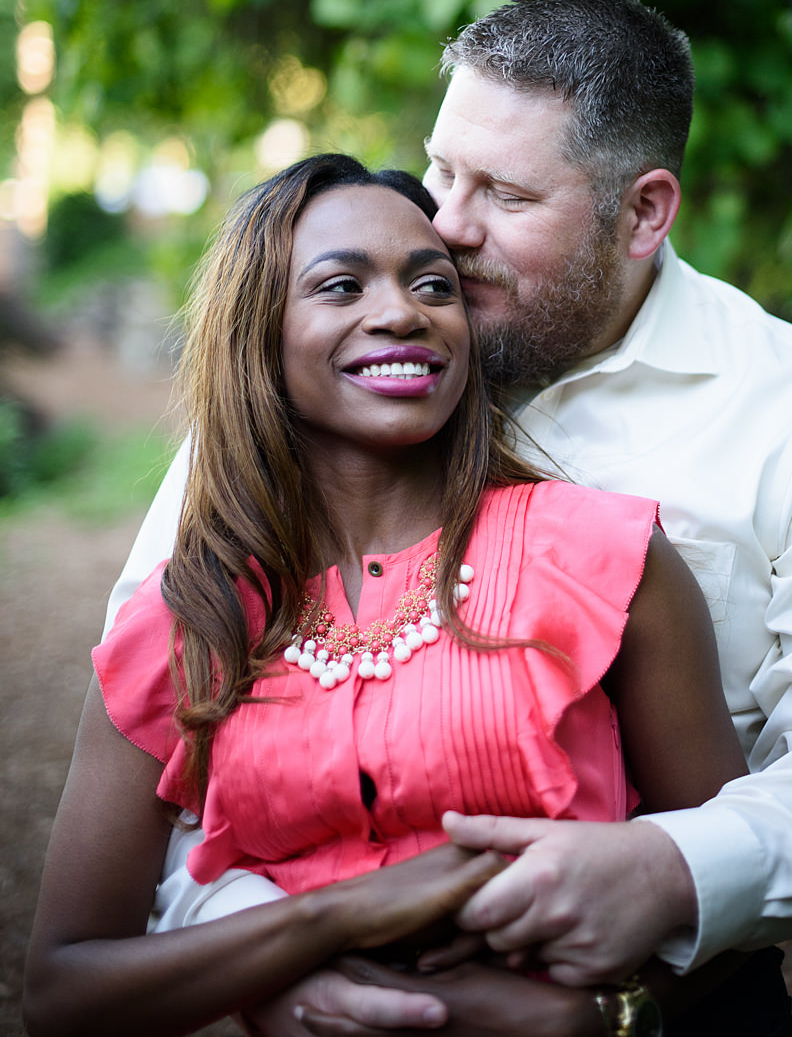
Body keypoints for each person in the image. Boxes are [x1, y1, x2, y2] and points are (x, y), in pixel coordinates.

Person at [101, 0, 792, 1037]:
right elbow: (160, 715)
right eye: (443, 169)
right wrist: (266, 947)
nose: (448, 226)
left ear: (643, 211)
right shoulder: (339, 371)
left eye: (505, 194)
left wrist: (671, 869)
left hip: (678, 993)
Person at [25, 154, 750, 1037]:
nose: (401, 312)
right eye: (340, 286)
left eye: (433, 284)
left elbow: (728, 886)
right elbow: (65, 990)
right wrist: (327, 921)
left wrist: (604, 1014)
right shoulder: (189, 623)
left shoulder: (607, 561)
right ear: (260, 333)